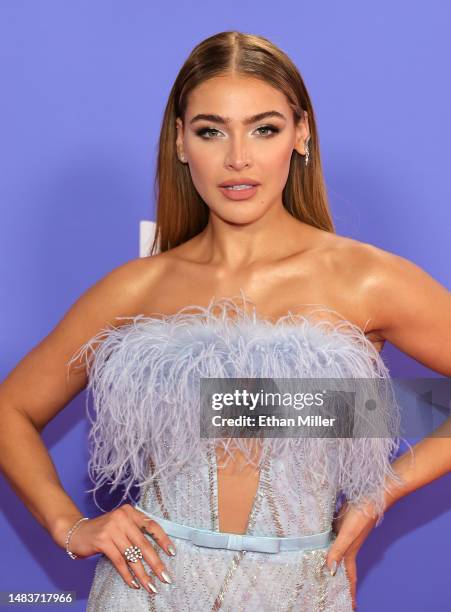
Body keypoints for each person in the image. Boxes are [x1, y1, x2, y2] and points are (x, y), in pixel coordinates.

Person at [1, 30, 450, 612]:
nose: (238, 158)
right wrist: (70, 526)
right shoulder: (139, 287)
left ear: (301, 133)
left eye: (264, 128)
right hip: (144, 593)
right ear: (182, 143)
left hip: (302, 589)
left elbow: (344, 409)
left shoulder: (367, 280)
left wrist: (378, 491)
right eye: (212, 130)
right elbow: (11, 409)